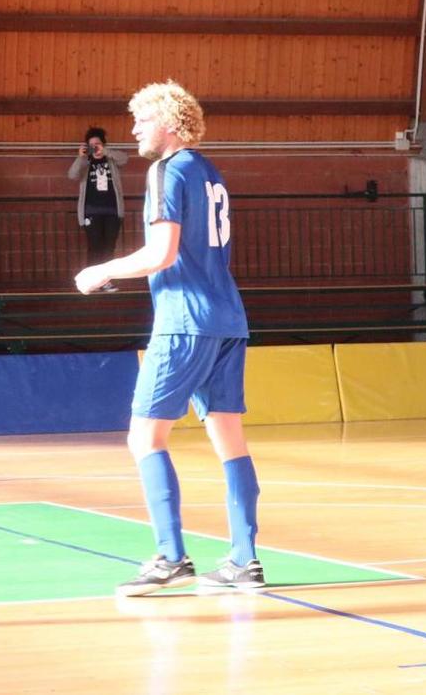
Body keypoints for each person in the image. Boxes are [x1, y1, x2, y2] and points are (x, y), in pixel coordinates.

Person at [75, 81, 263, 596]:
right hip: (229, 320)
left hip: (185, 323)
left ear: (170, 123)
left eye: (141, 119)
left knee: (144, 438)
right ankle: (244, 561)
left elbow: (161, 253)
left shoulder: (166, 170)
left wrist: (100, 270)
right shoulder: (209, 172)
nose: (133, 128)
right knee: (230, 443)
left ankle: (170, 557)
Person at [67, 126, 128, 286]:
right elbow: (72, 175)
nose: (95, 147)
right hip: (91, 211)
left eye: (97, 144)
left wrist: (106, 152)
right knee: (95, 246)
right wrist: (81, 157)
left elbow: (124, 159)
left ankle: (106, 281)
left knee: (109, 246)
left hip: (112, 210)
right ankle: (93, 281)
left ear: (103, 144)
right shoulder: (86, 162)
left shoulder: (111, 159)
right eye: (91, 144)